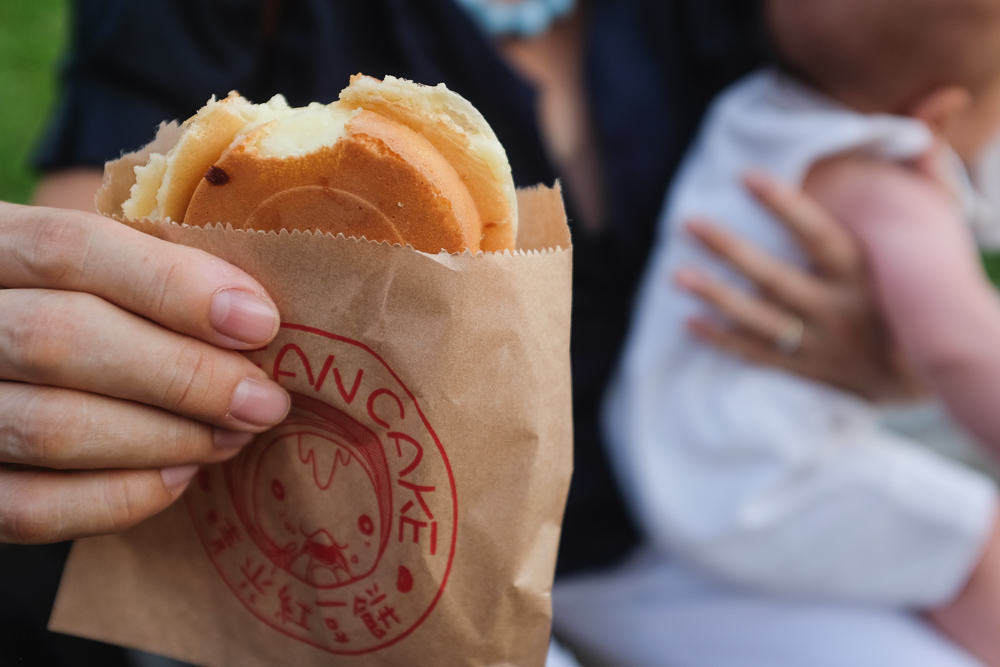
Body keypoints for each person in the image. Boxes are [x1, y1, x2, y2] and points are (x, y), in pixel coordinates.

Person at [0, 0, 931, 665]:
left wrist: (898, 357)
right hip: (354, 563)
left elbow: (901, 183)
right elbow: (99, 223)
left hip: (688, 524)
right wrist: (87, 339)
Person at [561, 0, 1000, 665]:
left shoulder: (757, 116)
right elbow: (964, 348)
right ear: (936, 112)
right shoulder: (882, 182)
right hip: (758, 485)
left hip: (673, 459)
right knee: (981, 547)